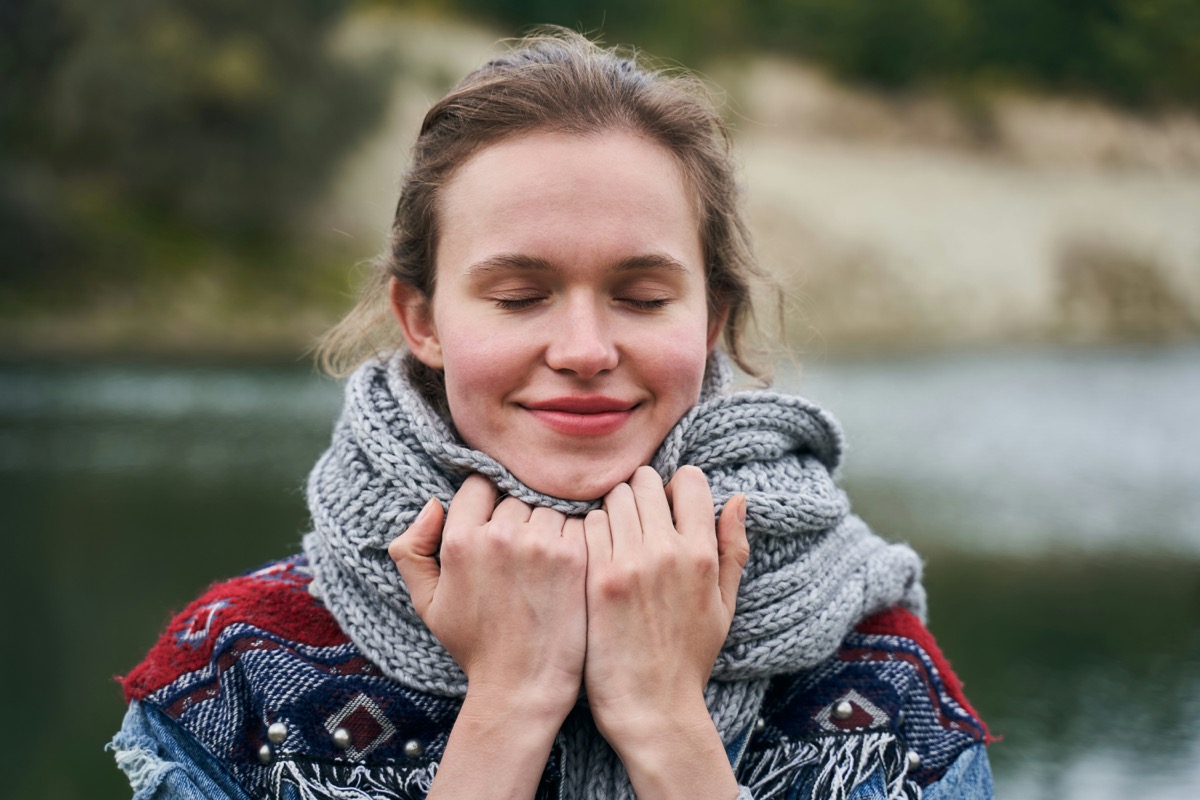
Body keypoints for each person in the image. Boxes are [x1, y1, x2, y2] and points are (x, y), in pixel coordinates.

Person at [109, 29, 993, 800]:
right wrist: (511, 702)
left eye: (642, 298)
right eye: (521, 295)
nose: (582, 349)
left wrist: (662, 721)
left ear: (712, 319)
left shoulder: (878, 674)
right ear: (422, 320)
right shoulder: (234, 673)